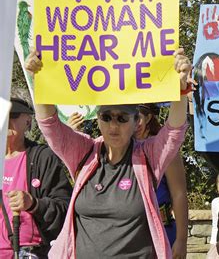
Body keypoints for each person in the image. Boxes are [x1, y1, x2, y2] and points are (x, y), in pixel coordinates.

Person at [25, 48, 191, 258]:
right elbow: (50, 125)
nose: (114, 125)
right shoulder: (84, 152)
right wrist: (40, 78)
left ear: (136, 122)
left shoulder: (148, 156)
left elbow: (174, 132)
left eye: (122, 118)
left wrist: (181, 87)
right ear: (98, 119)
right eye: (106, 117)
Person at [2, 94, 72, 258]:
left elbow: (65, 209)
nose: (5, 120)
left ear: (27, 121)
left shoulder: (42, 157)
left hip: (29, 252)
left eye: (12, 115)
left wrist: (33, 204)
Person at [135, 103, 188, 259]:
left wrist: (181, 239)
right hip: (130, 233)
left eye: (138, 117)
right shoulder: (119, 149)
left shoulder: (164, 148)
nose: (134, 123)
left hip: (161, 231)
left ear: (149, 117)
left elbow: (179, 193)